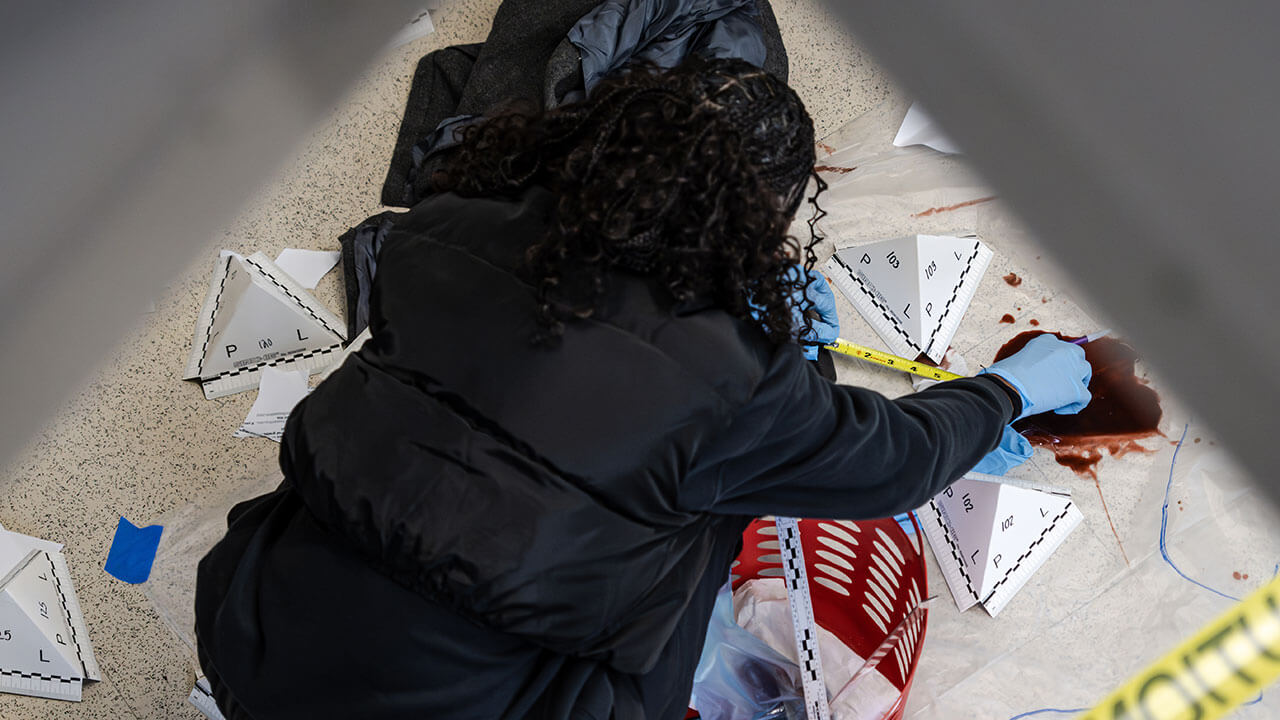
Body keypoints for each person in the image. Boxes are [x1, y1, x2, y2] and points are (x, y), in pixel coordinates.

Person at [194, 58, 1091, 719]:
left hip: (255, 632)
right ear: (761, 219)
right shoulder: (735, 390)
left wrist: (759, 347)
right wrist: (1005, 389)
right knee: (710, 507)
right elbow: (893, 465)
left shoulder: (440, 231)